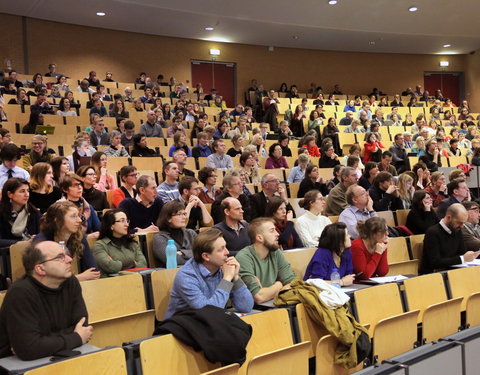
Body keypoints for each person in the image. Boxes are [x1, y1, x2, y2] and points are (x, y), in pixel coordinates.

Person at [0, 241, 92, 360]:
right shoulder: (20, 292)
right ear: (40, 269)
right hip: (13, 365)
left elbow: (82, 326)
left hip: (60, 356)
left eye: (66, 254)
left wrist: (41, 342)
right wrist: (76, 337)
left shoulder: (71, 282)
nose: (69, 259)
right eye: (60, 257)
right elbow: (29, 349)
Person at [165, 227, 253, 318]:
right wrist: (226, 279)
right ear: (206, 256)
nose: (227, 252)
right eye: (221, 249)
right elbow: (209, 312)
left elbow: (246, 307)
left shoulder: (223, 268)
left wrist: (235, 277)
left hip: (209, 323)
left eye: (225, 247)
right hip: (181, 327)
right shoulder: (186, 277)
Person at [236, 218, 296, 304]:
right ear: (259, 238)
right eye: (272, 231)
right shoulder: (244, 257)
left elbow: (294, 284)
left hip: (274, 304)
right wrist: (278, 285)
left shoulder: (275, 252)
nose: (277, 234)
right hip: (254, 311)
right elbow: (259, 297)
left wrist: (267, 292)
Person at [36, 201, 99, 280]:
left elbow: (94, 272)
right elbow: (45, 279)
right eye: (73, 216)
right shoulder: (41, 242)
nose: (79, 220)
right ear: (57, 220)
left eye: (78, 216)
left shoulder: (79, 237)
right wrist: (79, 278)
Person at [420, 204, 480, 274]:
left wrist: (470, 255)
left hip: (453, 270)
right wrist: (462, 258)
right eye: (459, 223)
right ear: (449, 218)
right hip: (435, 274)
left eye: (463, 223)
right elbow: (435, 262)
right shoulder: (432, 232)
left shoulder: (457, 230)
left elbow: (461, 252)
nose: (462, 226)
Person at [93, 209, 147, 277]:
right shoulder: (100, 245)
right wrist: (133, 263)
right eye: (122, 221)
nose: (127, 225)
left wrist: (118, 264)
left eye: (127, 221)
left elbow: (143, 264)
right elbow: (110, 267)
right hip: (111, 284)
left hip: (135, 281)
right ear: (111, 225)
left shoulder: (132, 243)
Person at [152, 201, 197, 267]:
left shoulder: (191, 233)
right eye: (179, 214)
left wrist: (182, 253)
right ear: (168, 218)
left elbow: (203, 253)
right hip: (170, 274)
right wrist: (193, 254)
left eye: (184, 214)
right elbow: (173, 259)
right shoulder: (160, 238)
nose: (184, 217)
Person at [0, 178, 40, 247]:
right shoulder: (1, 212)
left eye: (28, 191)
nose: (27, 194)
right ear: (10, 194)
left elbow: (43, 233)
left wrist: (37, 237)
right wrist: (20, 243)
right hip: (6, 254)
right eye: (22, 191)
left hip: (30, 252)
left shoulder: (33, 211)